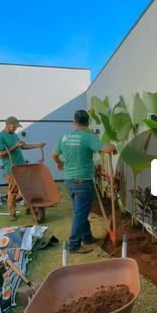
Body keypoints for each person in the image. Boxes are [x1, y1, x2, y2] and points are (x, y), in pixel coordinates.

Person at [51, 109, 115, 254]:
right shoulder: (88, 137)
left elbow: (53, 154)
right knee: (80, 214)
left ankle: (87, 238)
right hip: (82, 182)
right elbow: (107, 148)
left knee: (80, 212)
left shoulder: (65, 137)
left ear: (74, 122)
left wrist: (59, 162)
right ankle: (73, 245)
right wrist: (114, 146)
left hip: (69, 181)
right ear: (87, 122)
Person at [0, 116, 46, 221]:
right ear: (8, 124)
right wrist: (15, 146)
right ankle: (12, 213)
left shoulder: (14, 135)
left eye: (17, 127)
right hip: (11, 168)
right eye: (14, 126)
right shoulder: (0, 137)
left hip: (21, 167)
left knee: (27, 189)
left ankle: (29, 208)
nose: (16, 128)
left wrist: (37, 145)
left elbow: (22, 146)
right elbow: (0, 155)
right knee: (13, 191)